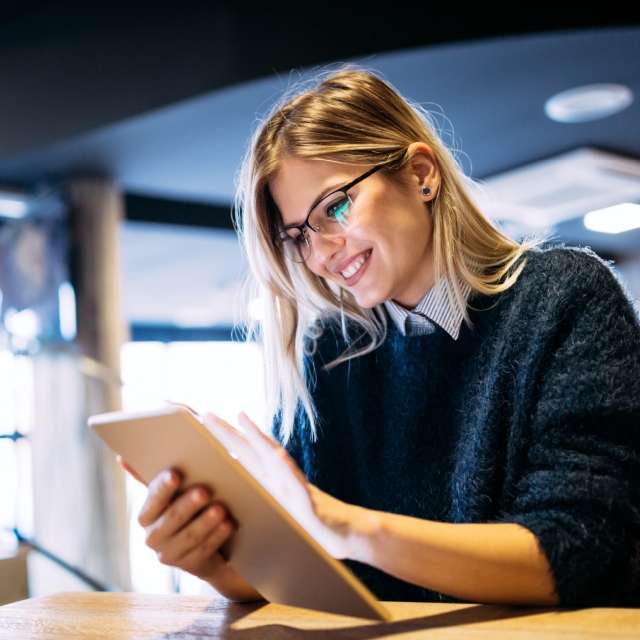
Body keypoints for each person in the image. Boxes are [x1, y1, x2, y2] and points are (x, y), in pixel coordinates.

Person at [122, 64, 640, 607]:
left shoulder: (563, 296)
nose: (320, 254)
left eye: (335, 208)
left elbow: (583, 553)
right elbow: (306, 577)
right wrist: (212, 561)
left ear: (421, 175)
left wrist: (350, 528)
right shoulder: (330, 353)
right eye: (298, 236)